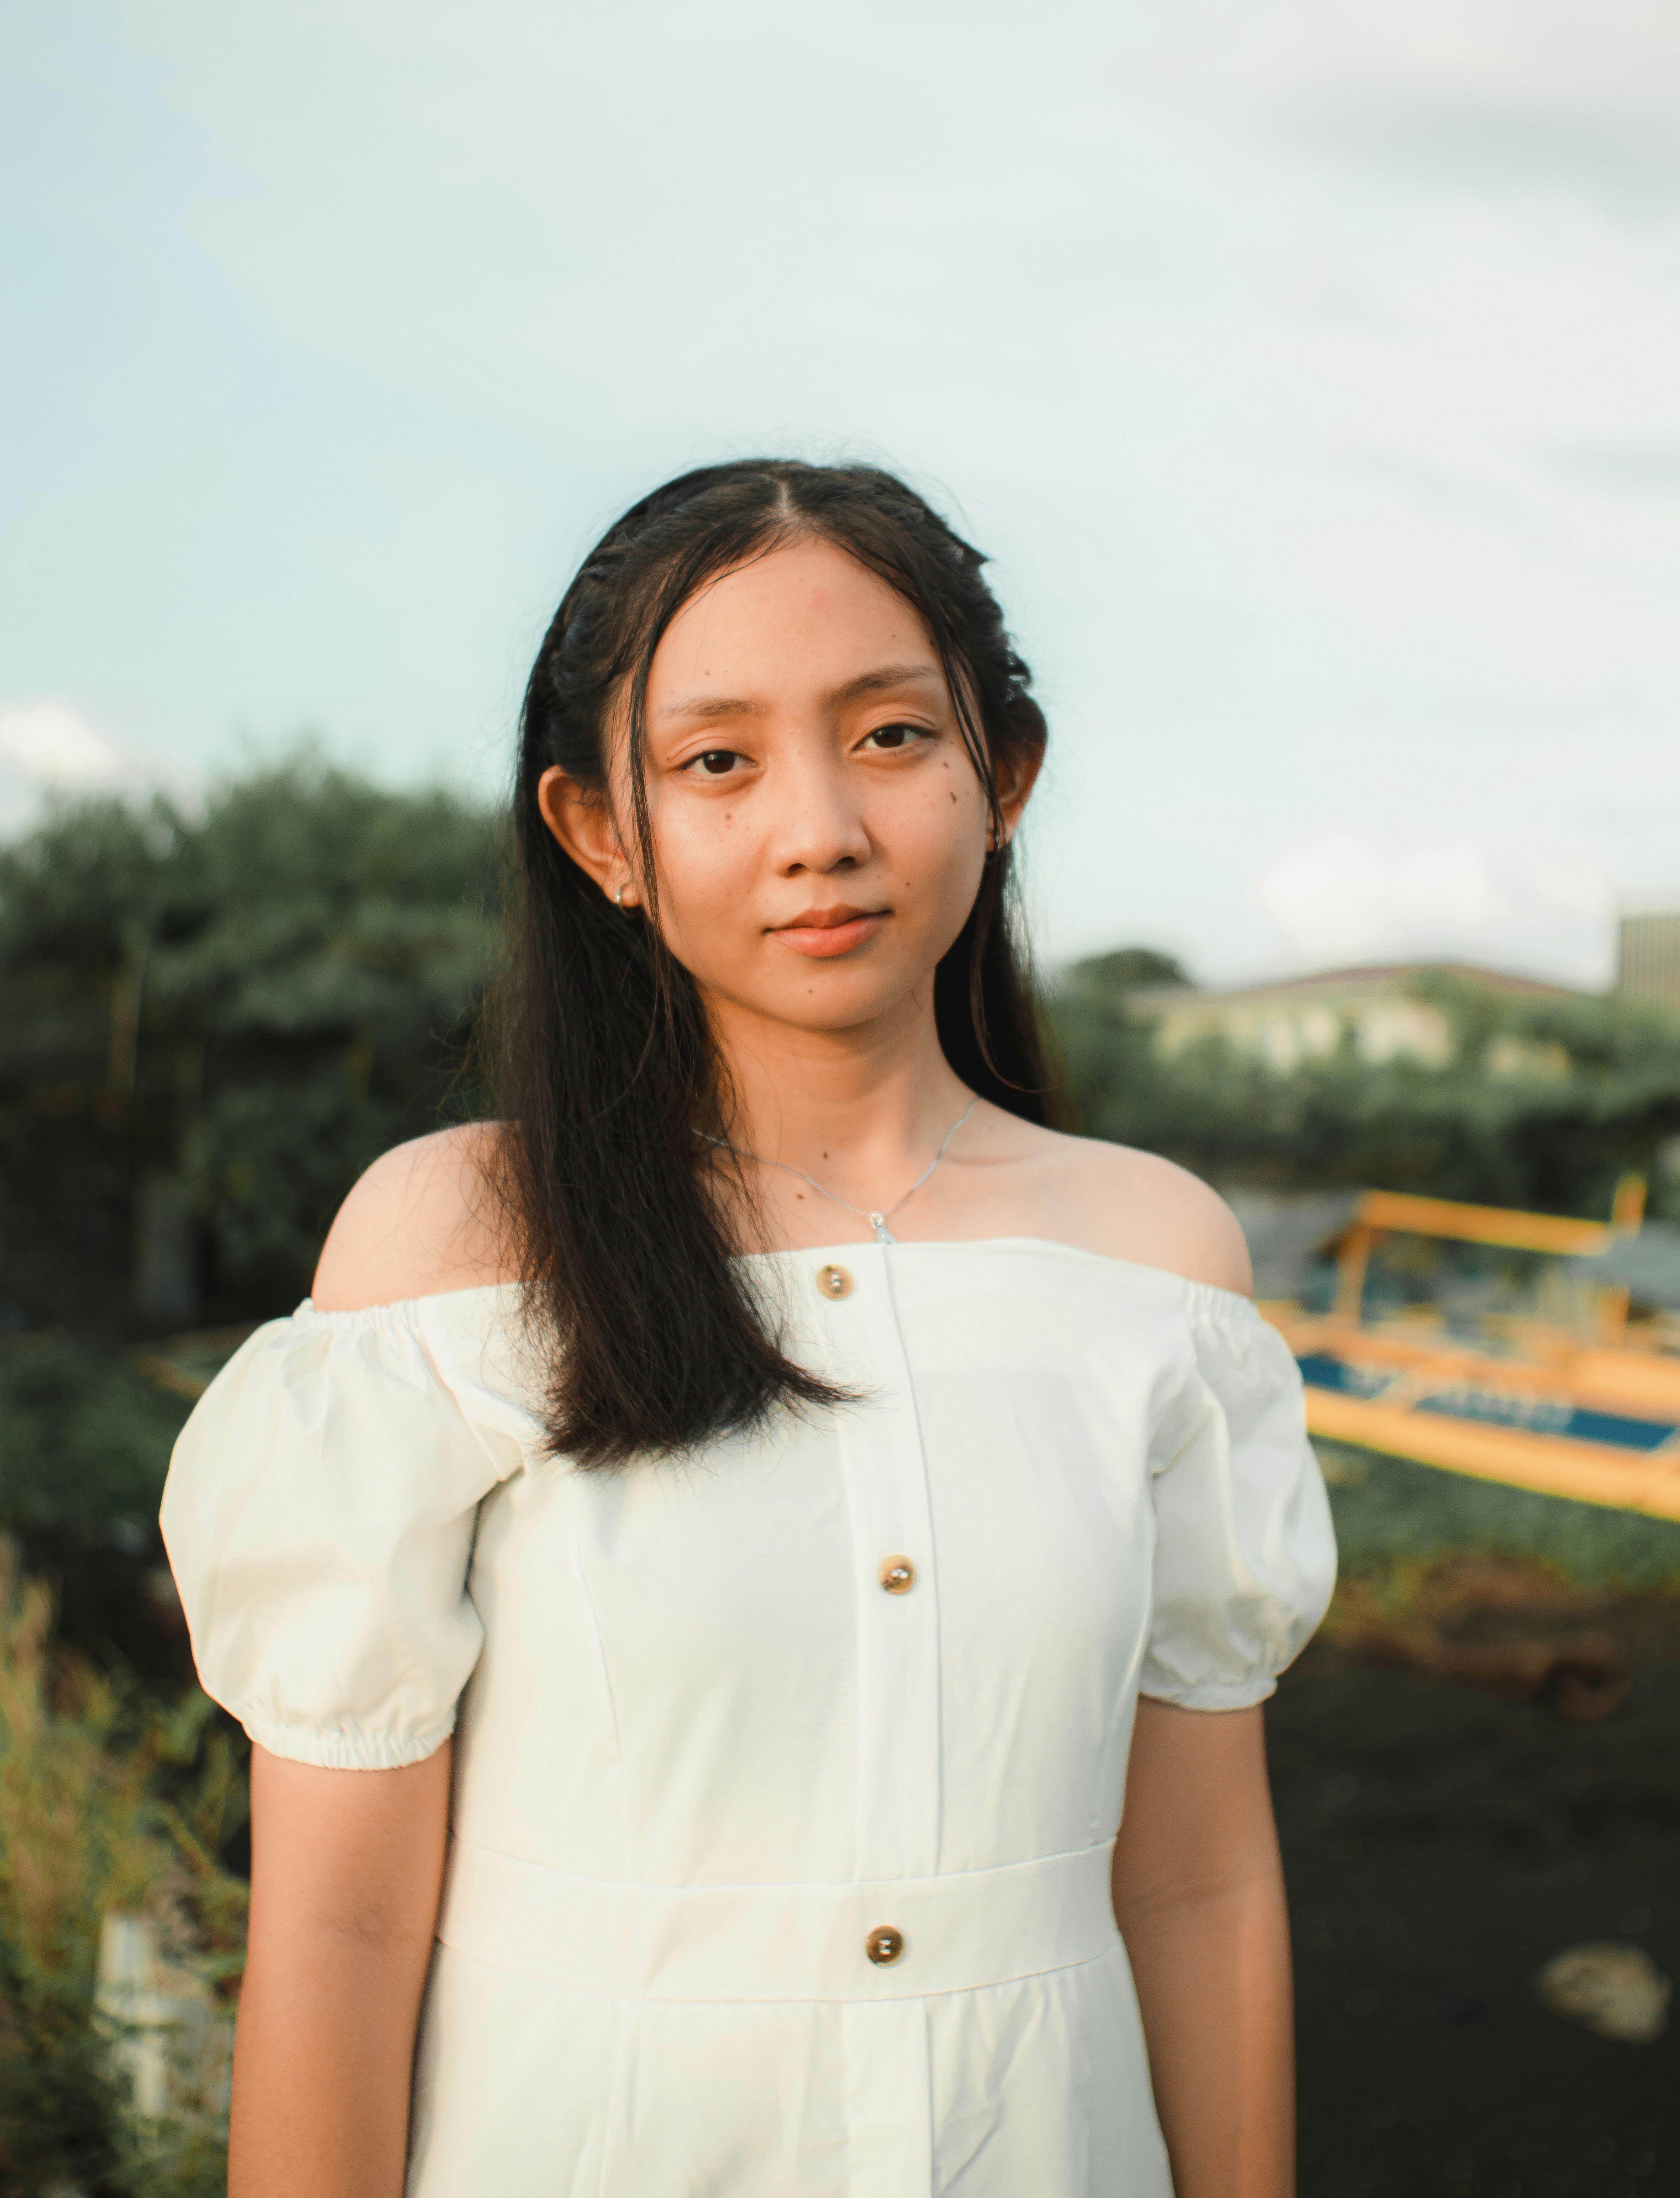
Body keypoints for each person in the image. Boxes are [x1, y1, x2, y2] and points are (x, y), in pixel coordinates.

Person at [162, 458, 1334, 2198]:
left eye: (888, 737)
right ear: (599, 834)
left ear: (999, 776)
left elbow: (1195, 1888)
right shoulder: (449, 1252)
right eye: (717, 760)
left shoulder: (1156, 1267)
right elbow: (334, 1931)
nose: (819, 831)